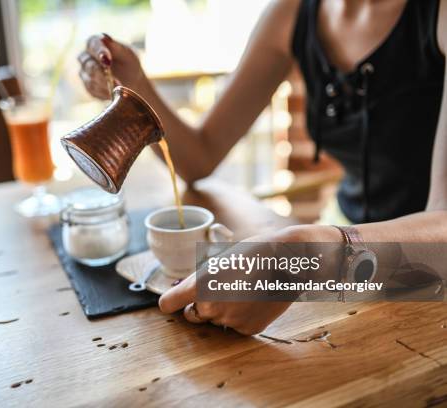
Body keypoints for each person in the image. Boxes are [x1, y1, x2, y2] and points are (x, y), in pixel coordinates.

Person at [77, 0, 447, 335]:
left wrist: (303, 253)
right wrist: (135, 82)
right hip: (354, 270)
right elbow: (199, 156)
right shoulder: (292, 14)